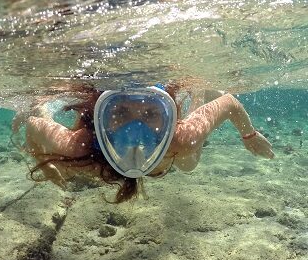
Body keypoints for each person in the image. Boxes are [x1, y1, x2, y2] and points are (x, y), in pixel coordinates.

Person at [14, 83, 274, 203]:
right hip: (100, 142)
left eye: (150, 114)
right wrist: (43, 162)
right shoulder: (81, 145)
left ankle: (199, 94)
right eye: (121, 113)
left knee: (189, 164)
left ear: (168, 116)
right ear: (101, 118)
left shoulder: (180, 138)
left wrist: (249, 136)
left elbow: (229, 102)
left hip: (176, 142)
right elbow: (34, 127)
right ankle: (41, 107)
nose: (135, 130)